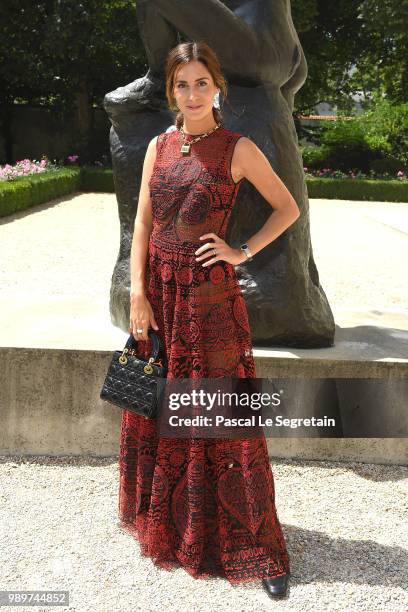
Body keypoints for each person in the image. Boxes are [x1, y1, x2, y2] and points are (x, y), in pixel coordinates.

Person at [120, 41, 300, 599]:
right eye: (181, 84)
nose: (192, 93)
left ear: (217, 85)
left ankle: (259, 548)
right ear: (170, 90)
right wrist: (137, 295)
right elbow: (143, 225)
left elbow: (288, 207)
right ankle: (175, 525)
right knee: (162, 407)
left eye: (201, 82)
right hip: (162, 301)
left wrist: (241, 251)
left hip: (210, 303)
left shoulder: (237, 147)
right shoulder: (158, 146)